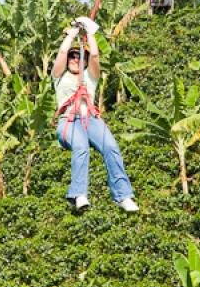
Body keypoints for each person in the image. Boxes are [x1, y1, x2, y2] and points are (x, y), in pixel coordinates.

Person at [51, 16, 139, 212]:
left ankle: (123, 196)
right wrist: (73, 33)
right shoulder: (59, 77)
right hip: (69, 122)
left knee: (111, 147)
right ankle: (78, 194)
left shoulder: (90, 78)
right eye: (72, 57)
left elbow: (96, 56)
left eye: (78, 57)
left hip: (90, 120)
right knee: (81, 146)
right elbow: (63, 51)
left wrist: (90, 33)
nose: (74, 59)